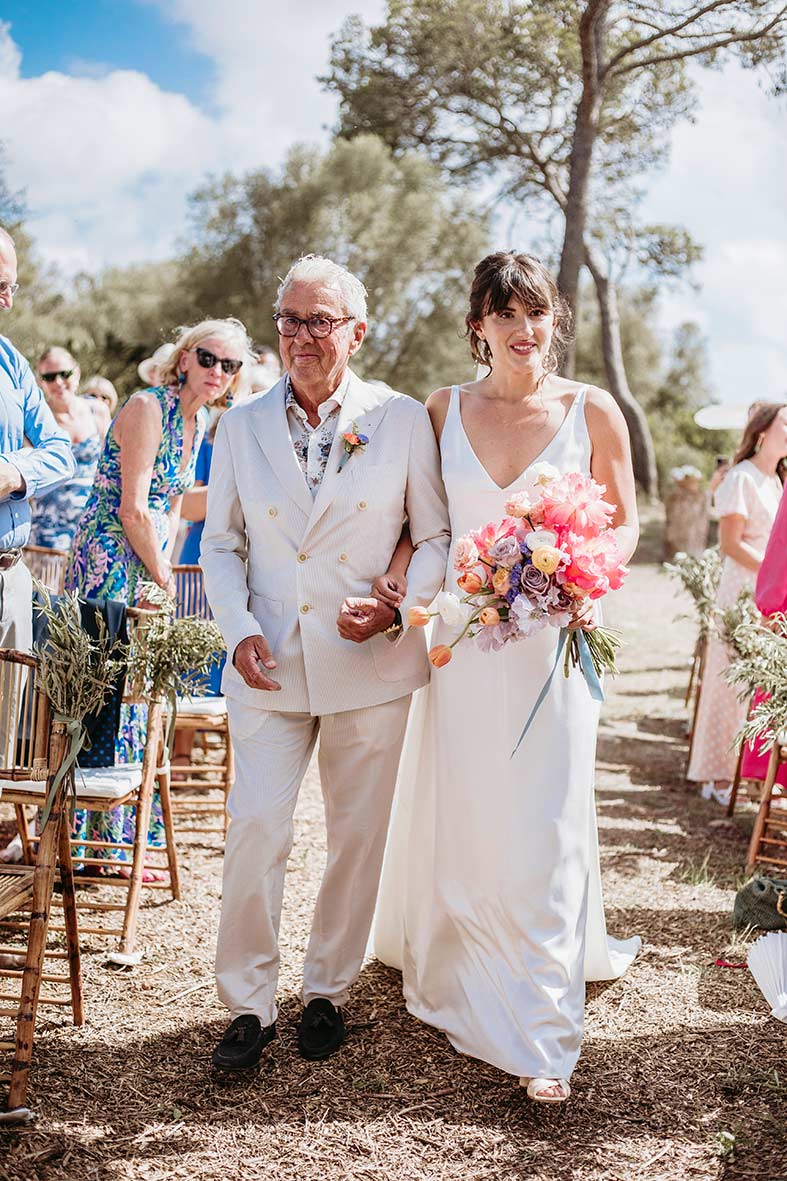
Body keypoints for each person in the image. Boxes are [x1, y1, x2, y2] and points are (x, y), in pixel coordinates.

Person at [371, 251, 641, 1105]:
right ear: (478, 325)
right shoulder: (441, 409)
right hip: (463, 647)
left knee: (547, 815)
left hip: (552, 649)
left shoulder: (590, 410)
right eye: (507, 315)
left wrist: (581, 571)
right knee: (471, 807)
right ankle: (461, 958)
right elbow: (422, 522)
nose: (527, 331)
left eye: (538, 315)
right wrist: (397, 581)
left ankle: (539, 1016)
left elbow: (626, 522)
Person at [200, 254, 450, 1071]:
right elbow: (222, 543)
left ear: (357, 331)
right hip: (266, 660)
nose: (300, 336)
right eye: (288, 319)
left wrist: (395, 606)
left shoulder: (403, 417)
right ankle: (246, 1002)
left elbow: (435, 534)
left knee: (354, 836)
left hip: (367, 662)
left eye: (319, 320)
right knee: (256, 827)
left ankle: (325, 992)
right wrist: (235, 626)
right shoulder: (237, 424)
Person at [65, 317, 254, 872]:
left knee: (136, 698)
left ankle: (117, 841)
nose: (218, 371)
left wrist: (247, 501)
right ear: (184, 358)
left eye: (231, 365)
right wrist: (168, 579)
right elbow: (133, 507)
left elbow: (175, 506)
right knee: (100, 693)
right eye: (209, 358)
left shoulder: (198, 423)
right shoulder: (149, 407)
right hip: (106, 561)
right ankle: (77, 839)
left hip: (146, 562)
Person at [687, 402, 787, 805]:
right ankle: (714, 774)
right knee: (727, 685)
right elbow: (730, 543)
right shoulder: (741, 478)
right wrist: (775, 572)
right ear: (762, 431)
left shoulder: (776, 482)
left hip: (769, 595)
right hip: (742, 591)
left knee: (755, 689)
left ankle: (746, 772)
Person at [0, 227, 74, 652]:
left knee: (11, 720)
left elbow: (60, 452)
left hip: (12, 582)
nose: (8, 301)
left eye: (12, 287)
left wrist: (14, 472)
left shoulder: (10, 359)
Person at [28, 347, 108, 551]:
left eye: (65, 374)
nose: (58, 382)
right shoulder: (35, 420)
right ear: (40, 382)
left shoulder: (97, 410)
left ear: (77, 372)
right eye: (49, 377)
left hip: (93, 526)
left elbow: (110, 467)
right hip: (47, 532)